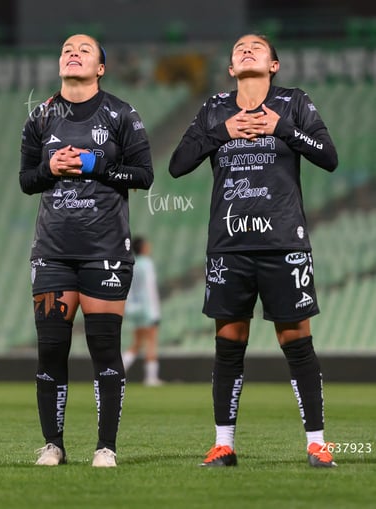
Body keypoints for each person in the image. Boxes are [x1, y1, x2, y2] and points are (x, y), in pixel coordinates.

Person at [169, 34, 338, 468]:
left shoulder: (294, 103)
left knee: (296, 341)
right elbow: (177, 163)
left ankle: (317, 444)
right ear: (229, 69)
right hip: (230, 246)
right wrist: (221, 133)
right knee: (229, 343)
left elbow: (328, 156)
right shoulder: (214, 108)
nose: (246, 49)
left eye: (257, 47)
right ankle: (223, 445)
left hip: (283, 241)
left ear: (274, 65)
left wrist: (281, 128)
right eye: (239, 48)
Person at [19, 33, 154, 467]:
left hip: (105, 251)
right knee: (51, 350)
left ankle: (105, 447)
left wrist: (97, 165)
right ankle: (53, 444)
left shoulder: (121, 114)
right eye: (66, 50)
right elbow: (26, 180)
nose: (73, 53)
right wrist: (49, 167)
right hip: (53, 252)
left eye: (84, 51)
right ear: (59, 64)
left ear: (100, 68)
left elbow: (144, 175)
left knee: (104, 349)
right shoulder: (40, 117)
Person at [122, 236, 163, 386]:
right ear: (143, 248)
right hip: (147, 308)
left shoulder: (133, 264)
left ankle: (119, 369)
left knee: (137, 343)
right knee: (151, 342)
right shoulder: (147, 264)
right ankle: (151, 378)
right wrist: (155, 311)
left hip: (134, 308)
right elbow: (150, 288)